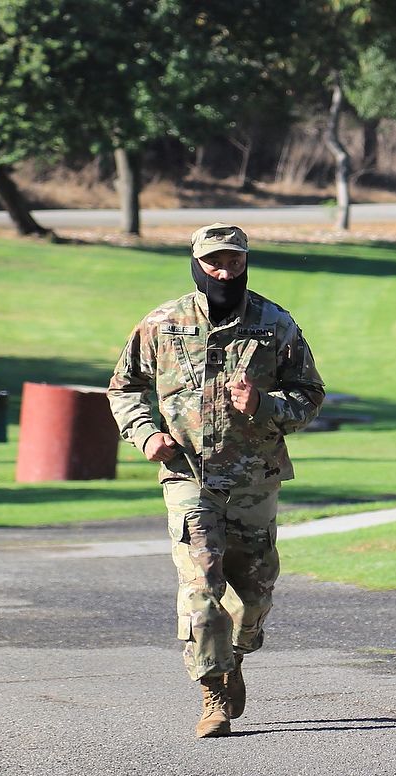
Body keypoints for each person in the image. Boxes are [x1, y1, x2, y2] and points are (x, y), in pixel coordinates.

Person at [108, 223, 325, 738]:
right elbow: (124, 387)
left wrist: (266, 405)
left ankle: (235, 659)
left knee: (252, 596)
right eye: (213, 262)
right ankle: (212, 691)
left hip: (254, 477)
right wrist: (145, 435)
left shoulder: (276, 324)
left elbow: (310, 395)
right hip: (187, 476)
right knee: (201, 584)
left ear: (247, 261)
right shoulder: (162, 322)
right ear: (195, 262)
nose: (223, 271)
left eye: (232, 261)